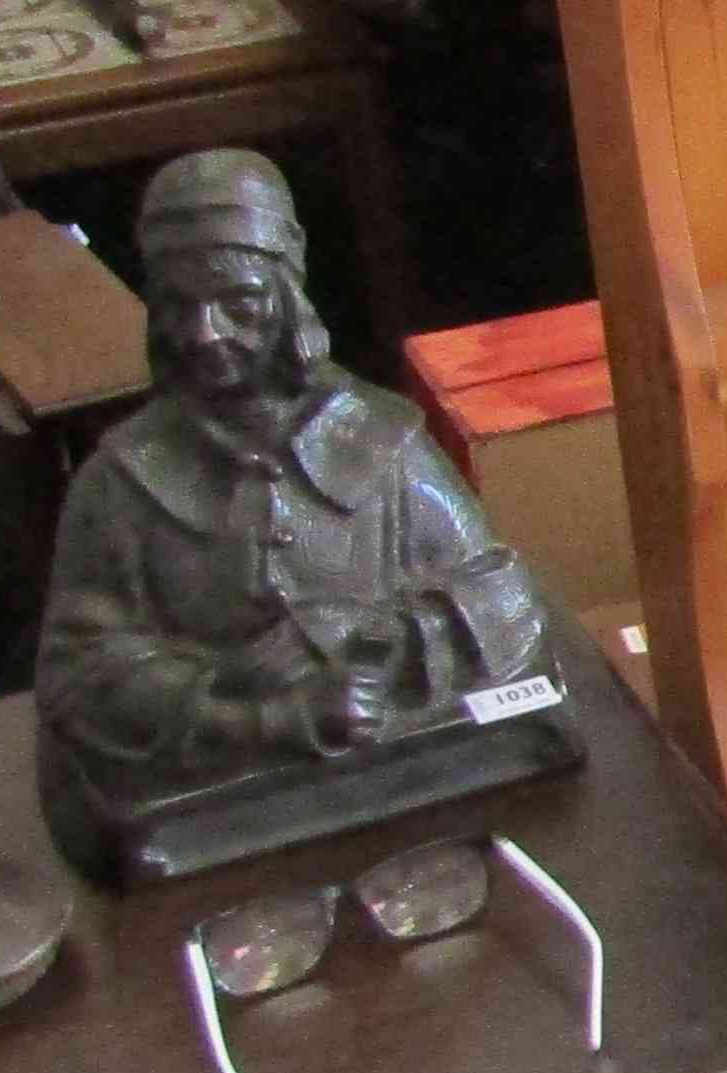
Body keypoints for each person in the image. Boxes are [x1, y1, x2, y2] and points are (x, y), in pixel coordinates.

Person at [35, 153, 553, 842]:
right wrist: (260, 716)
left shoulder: (379, 441)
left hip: (425, 809)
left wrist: (365, 643)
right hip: (213, 811)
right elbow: (78, 674)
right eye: (181, 305)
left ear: (285, 296)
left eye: (238, 304)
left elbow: (502, 596)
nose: (206, 332)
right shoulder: (121, 481)